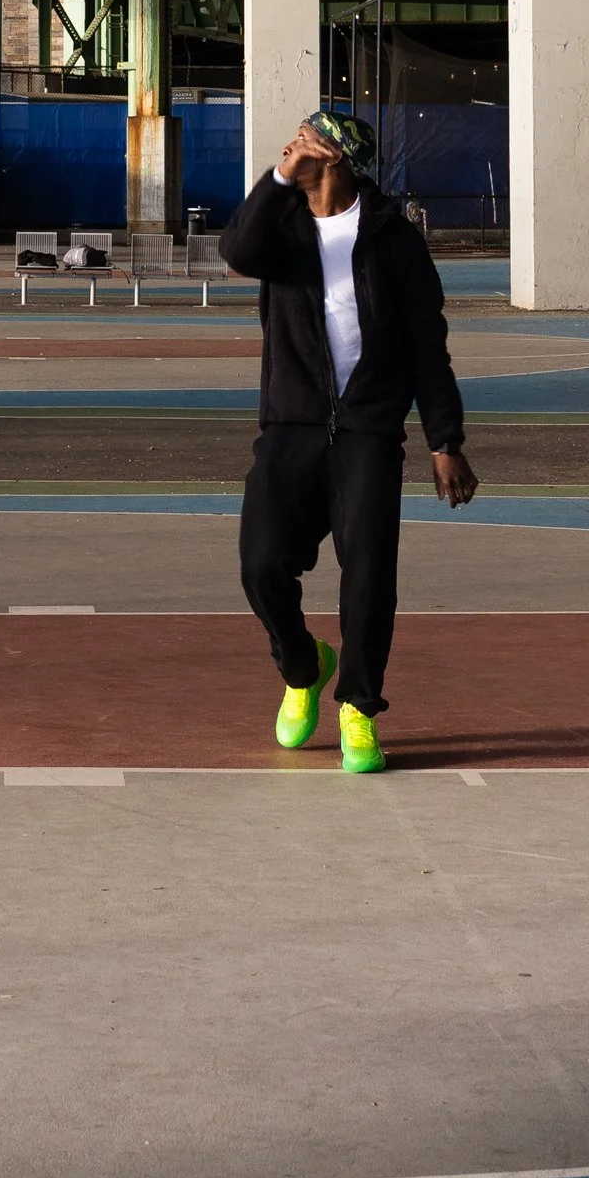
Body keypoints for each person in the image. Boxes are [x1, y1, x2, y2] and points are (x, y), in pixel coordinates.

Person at [219, 109, 478, 775]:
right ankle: (303, 667)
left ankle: (358, 705)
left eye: (305, 142)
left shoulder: (393, 237)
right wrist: (279, 179)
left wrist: (444, 437)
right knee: (261, 563)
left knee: (368, 575)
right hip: (291, 426)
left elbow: (428, 342)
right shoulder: (280, 227)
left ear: (336, 158)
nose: (292, 147)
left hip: (367, 430)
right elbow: (238, 252)